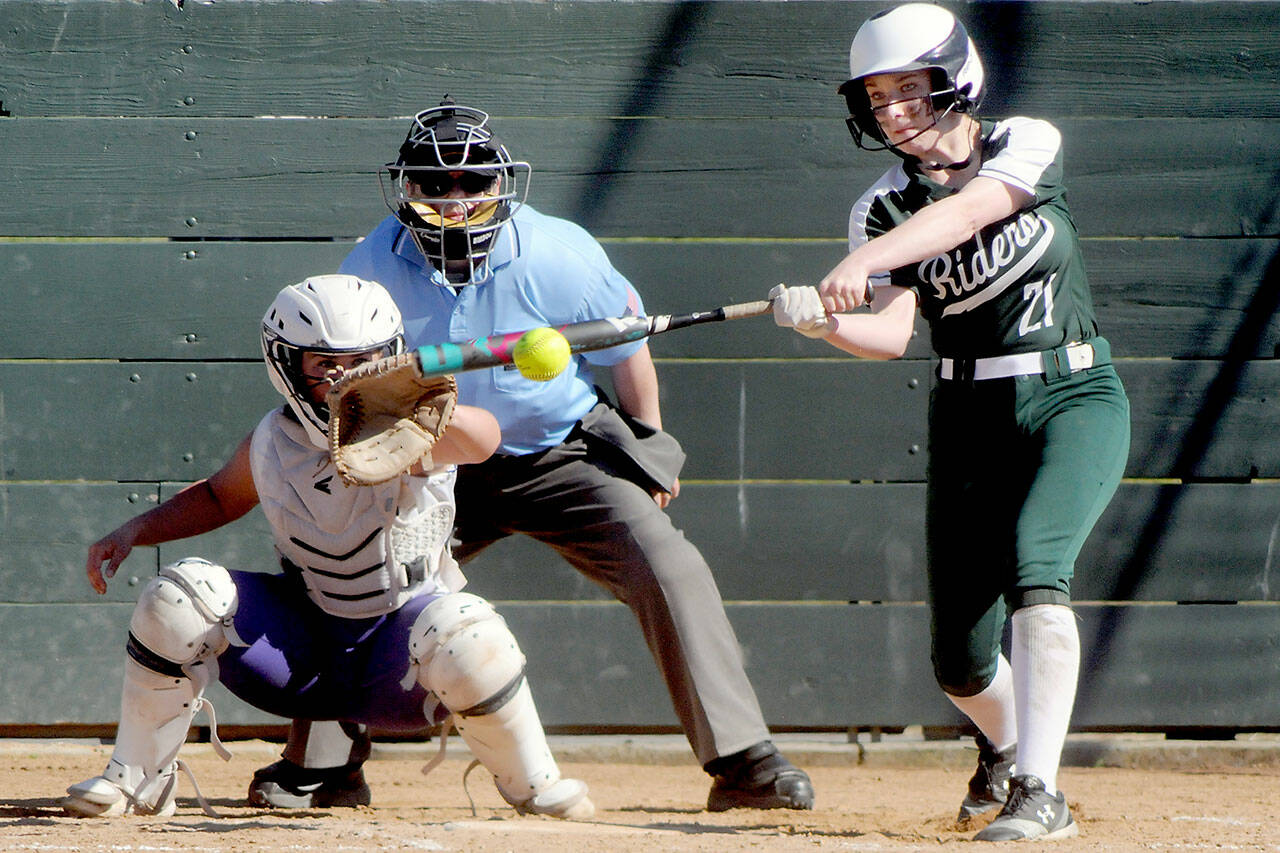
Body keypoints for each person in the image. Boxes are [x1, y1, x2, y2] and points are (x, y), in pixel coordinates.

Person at [247, 99, 815, 814]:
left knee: (668, 564)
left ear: (501, 184)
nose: (454, 200)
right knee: (349, 571)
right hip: (432, 458)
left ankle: (743, 760)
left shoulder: (559, 253)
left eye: (472, 182)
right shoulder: (371, 263)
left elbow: (629, 350)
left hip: (559, 453)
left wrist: (646, 445)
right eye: (433, 183)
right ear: (406, 188)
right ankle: (325, 764)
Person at [769, 4, 1129, 842]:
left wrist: (862, 263)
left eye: (910, 89)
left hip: (1071, 392)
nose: (893, 110)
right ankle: (1006, 747)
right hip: (967, 415)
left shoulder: (1025, 142)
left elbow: (968, 214)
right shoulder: (879, 209)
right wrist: (820, 322)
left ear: (956, 78)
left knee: (1040, 567)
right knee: (961, 665)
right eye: (877, 97)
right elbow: (890, 335)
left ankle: (1041, 791)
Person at [65, 273, 594, 821]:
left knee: (468, 629)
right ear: (287, 365)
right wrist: (131, 531)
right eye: (324, 365)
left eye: (364, 360)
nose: (344, 376)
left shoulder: (417, 431)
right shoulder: (273, 437)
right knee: (177, 594)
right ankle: (136, 780)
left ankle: (534, 785)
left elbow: (484, 441)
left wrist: (426, 409)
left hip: (399, 663)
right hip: (300, 654)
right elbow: (221, 498)